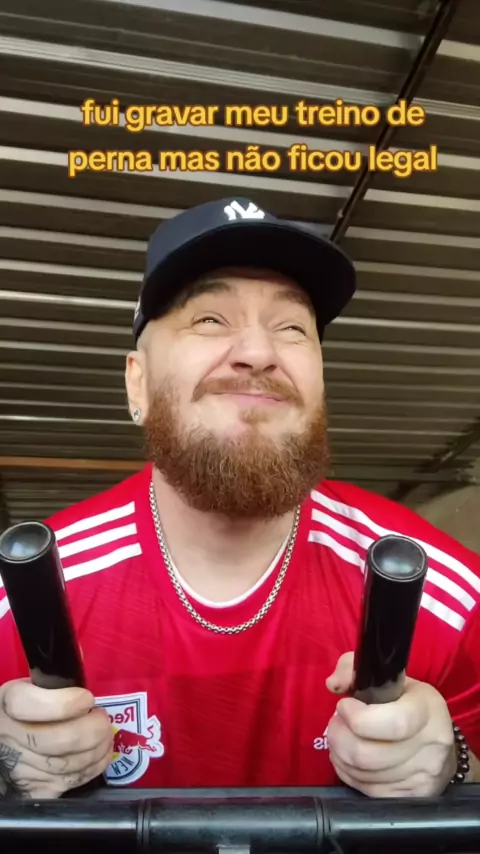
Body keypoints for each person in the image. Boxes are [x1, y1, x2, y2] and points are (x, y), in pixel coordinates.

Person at [0, 196, 479, 802]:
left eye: (292, 328)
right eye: (209, 320)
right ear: (137, 383)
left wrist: (454, 766)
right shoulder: (19, 600)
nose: (259, 353)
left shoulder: (447, 593)